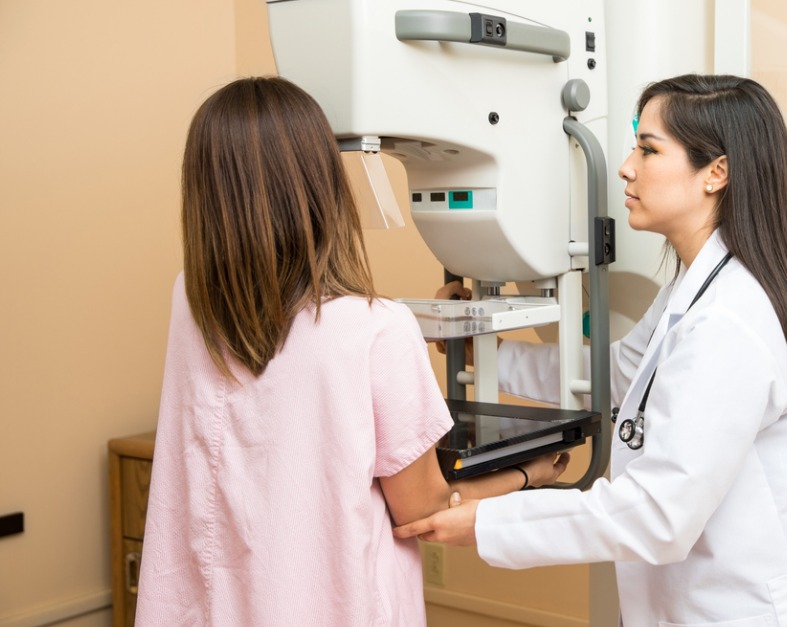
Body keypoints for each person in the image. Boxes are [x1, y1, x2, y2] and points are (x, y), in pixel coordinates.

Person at [397, 74, 787, 626]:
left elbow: (657, 514)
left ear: (716, 172)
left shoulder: (729, 322)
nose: (625, 167)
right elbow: (623, 372)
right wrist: (487, 350)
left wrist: (486, 523)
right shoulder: (700, 287)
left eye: (648, 149)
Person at [135, 76, 568, 627]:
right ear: (320, 184)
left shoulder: (191, 301)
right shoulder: (378, 330)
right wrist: (531, 473)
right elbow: (423, 511)